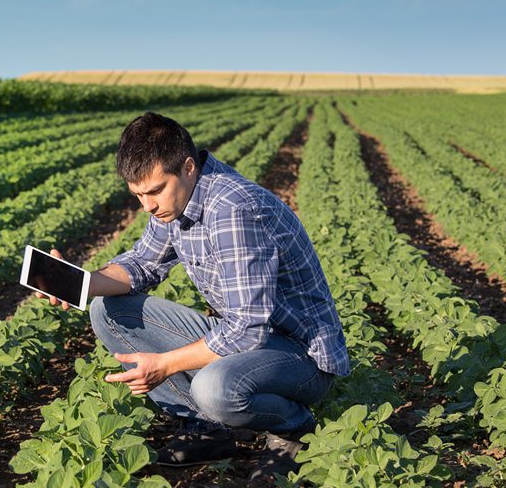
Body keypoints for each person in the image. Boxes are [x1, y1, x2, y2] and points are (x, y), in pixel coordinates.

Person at [37, 111, 349, 482]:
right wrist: (79, 282)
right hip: (251, 340)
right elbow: (141, 264)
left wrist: (165, 364)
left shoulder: (233, 210)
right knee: (108, 310)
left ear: (188, 167)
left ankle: (293, 430)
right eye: (137, 194)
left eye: (154, 191)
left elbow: (248, 330)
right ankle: (207, 430)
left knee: (214, 388)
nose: (147, 206)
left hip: (300, 355)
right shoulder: (177, 200)